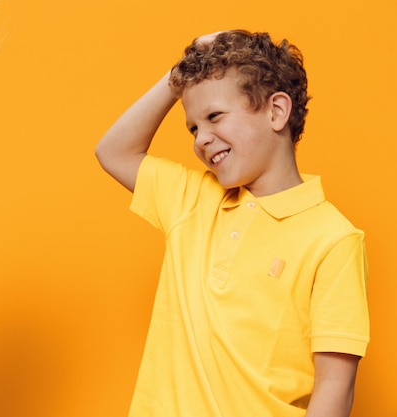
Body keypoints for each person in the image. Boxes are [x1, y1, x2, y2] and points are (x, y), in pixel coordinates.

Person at [95, 30, 369, 417]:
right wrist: (178, 78)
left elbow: (335, 386)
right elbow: (113, 151)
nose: (201, 139)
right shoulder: (191, 200)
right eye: (192, 127)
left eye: (214, 117)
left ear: (276, 111)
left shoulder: (333, 239)